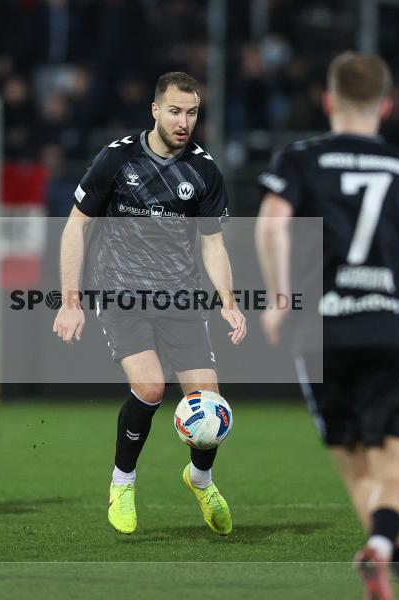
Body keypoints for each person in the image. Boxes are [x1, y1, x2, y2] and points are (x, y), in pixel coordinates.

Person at [255, 52, 399, 600]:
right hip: (389, 328)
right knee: (395, 468)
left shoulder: (301, 157)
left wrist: (278, 299)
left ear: (328, 100)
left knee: (359, 471)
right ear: (386, 105)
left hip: (320, 332)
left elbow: (270, 225)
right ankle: (384, 552)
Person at [52, 71, 246, 536]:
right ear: (155, 110)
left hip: (179, 299)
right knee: (152, 387)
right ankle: (122, 483)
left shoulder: (203, 171)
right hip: (121, 293)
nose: (184, 122)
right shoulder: (117, 159)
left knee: (211, 406)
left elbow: (213, 244)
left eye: (193, 112)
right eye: (175, 111)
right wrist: (70, 301)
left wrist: (230, 302)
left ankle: (200, 478)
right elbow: (75, 227)